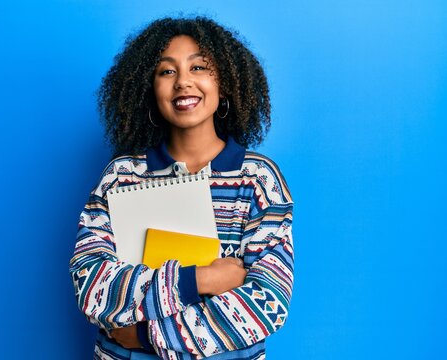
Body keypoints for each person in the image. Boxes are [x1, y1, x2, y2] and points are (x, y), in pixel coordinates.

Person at [69, 16, 294, 360]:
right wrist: (198, 280)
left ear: (227, 82)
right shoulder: (120, 177)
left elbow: (266, 302)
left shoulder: (258, 180)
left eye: (199, 67)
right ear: (149, 87)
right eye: (166, 71)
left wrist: (144, 334)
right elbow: (94, 290)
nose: (183, 82)